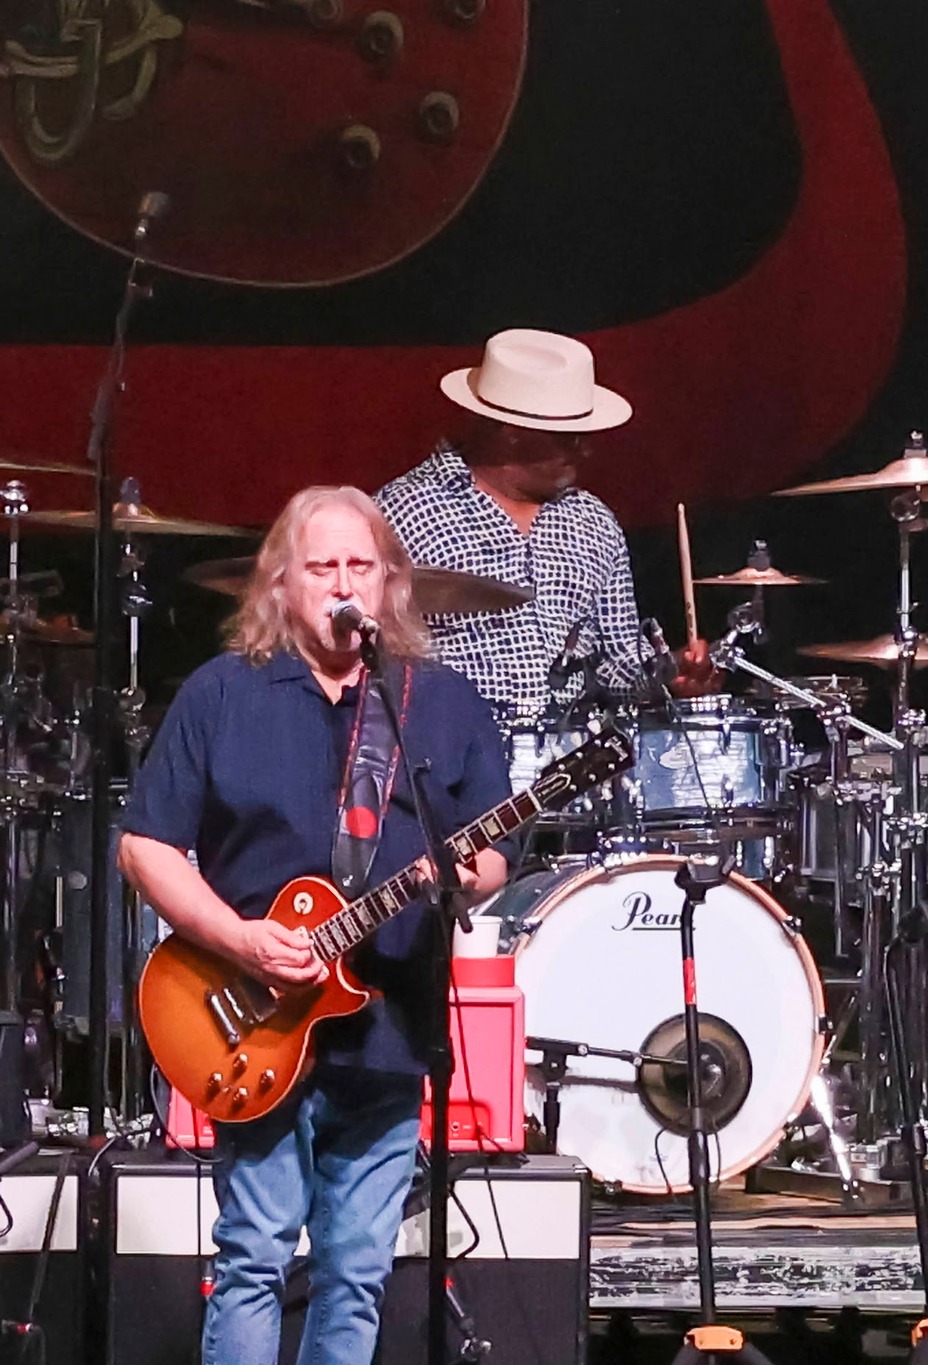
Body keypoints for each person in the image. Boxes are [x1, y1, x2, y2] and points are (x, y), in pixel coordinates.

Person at [120, 487, 514, 1365]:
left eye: (361, 567)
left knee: (358, 1269)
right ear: (282, 585)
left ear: (390, 583)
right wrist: (242, 939)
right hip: (250, 1018)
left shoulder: (440, 704)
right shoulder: (224, 693)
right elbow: (146, 848)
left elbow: (492, 856)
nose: (344, 586)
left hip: (388, 1024)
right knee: (256, 1254)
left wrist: (463, 871)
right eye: (323, 567)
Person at [376, 328, 717, 733]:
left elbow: (615, 667)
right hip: (444, 756)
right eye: (568, 437)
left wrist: (665, 673)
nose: (584, 448)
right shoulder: (402, 511)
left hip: (574, 763)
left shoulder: (593, 522)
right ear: (511, 433)